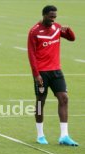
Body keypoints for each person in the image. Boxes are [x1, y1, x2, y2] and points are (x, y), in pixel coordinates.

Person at [27, 5, 78, 146]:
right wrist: (36, 74)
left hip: (56, 71)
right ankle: (40, 135)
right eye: (51, 16)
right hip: (41, 73)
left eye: (55, 16)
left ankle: (64, 136)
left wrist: (68, 30)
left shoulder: (57, 27)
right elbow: (31, 54)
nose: (53, 19)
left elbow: (72, 38)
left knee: (64, 98)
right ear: (44, 15)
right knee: (40, 102)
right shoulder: (34, 31)